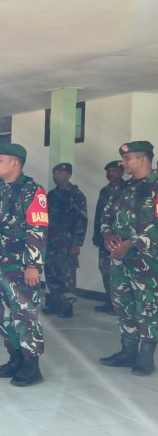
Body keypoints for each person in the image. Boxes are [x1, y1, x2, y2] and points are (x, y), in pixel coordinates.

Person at [0, 143, 47, 387]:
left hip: (20, 266)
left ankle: (32, 367)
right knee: (2, 315)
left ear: (15, 163)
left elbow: (37, 229)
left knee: (25, 316)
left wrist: (33, 266)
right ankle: (15, 359)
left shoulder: (33, 191)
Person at [99, 141, 157, 377]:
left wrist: (132, 243)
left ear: (143, 159)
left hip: (148, 261)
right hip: (120, 260)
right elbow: (107, 215)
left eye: (127, 159)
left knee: (148, 307)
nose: (123, 164)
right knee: (123, 305)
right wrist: (107, 235)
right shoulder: (121, 188)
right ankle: (128, 352)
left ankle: (145, 358)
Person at [43, 163, 88, 318]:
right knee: (51, 273)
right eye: (54, 173)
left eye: (59, 173)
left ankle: (67, 306)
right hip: (51, 243)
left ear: (68, 175)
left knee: (67, 275)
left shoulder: (76, 194)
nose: (56, 176)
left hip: (68, 243)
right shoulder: (51, 195)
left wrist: (76, 243)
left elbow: (82, 220)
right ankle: (55, 303)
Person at [92, 161, 124, 314]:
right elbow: (99, 214)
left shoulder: (127, 189)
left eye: (114, 170)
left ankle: (119, 305)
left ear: (122, 172)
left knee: (119, 273)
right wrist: (96, 234)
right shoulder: (104, 191)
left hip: (120, 239)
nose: (110, 173)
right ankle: (110, 302)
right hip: (105, 238)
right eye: (108, 171)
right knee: (105, 270)